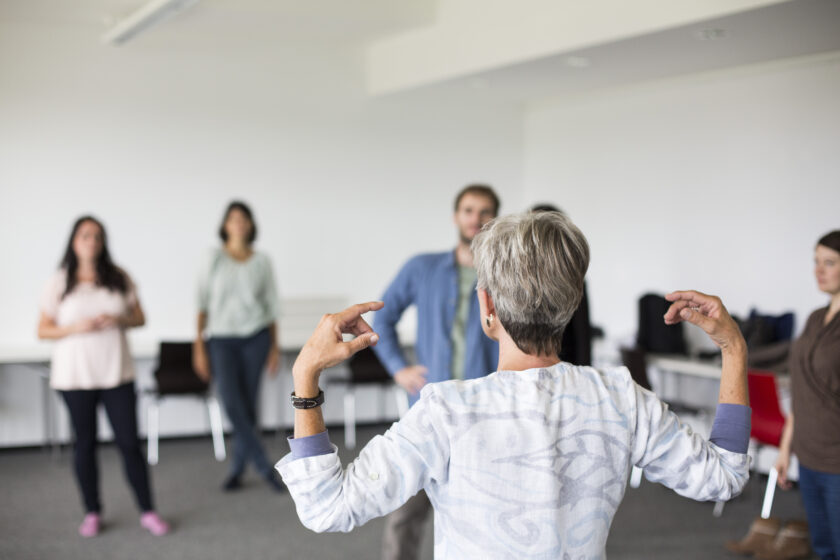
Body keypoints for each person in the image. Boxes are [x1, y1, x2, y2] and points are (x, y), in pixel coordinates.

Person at [277, 211, 752, 559]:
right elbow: (724, 476)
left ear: (487, 306)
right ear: (572, 301)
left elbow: (327, 509)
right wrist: (733, 349)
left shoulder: (446, 410)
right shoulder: (620, 397)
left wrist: (305, 379)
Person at [372, 184, 500, 559]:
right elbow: (383, 316)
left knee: (483, 511)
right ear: (456, 217)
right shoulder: (422, 268)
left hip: (484, 411)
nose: (476, 219)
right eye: (469, 210)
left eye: (485, 211)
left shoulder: (506, 273)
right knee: (406, 510)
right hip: (427, 410)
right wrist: (399, 369)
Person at [37, 216, 169, 538]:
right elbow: (42, 329)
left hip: (116, 375)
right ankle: (92, 512)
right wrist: (75, 327)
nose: (91, 241)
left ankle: (148, 511)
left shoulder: (119, 277)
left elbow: (140, 318)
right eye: (85, 236)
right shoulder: (59, 281)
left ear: (103, 241)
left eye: (97, 236)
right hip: (74, 378)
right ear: (74, 241)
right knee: (85, 444)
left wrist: (119, 318)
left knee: (128, 444)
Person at [192, 201, 283, 492]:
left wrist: (274, 348)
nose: (239, 223)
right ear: (225, 225)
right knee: (232, 402)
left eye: (244, 218)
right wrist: (198, 346)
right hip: (221, 339)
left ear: (251, 225)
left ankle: (237, 470)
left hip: (256, 338)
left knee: (249, 406)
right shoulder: (213, 258)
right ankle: (264, 466)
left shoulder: (262, 262)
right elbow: (201, 302)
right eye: (233, 218)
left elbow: (271, 307)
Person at [772, 230, 840, 560]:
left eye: (829, 262)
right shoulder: (815, 318)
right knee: (823, 547)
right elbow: (801, 392)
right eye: (816, 262)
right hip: (808, 455)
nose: (819, 270)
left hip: (837, 460)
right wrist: (786, 450)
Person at [531, 203, 592, 365]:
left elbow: (582, 335)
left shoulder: (573, 279)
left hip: (564, 364)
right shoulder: (513, 278)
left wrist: (583, 373)